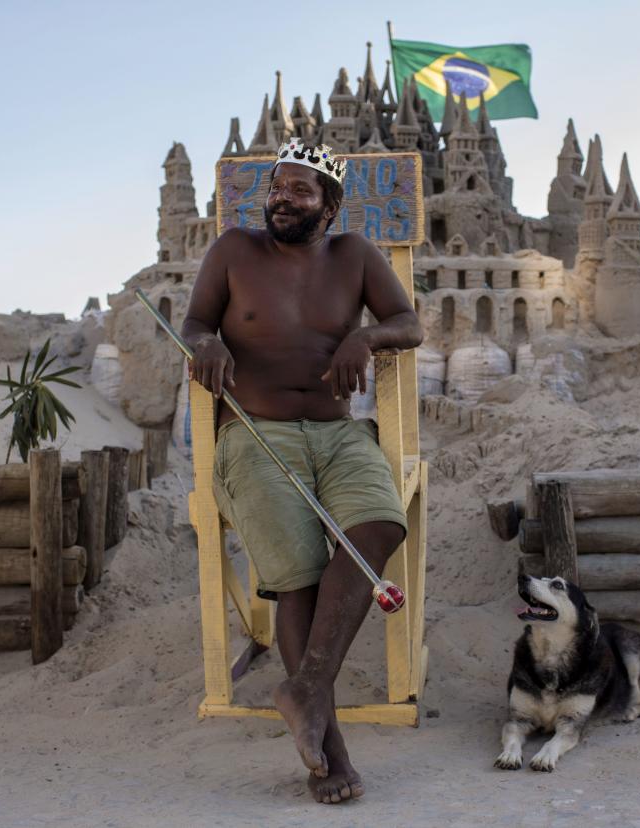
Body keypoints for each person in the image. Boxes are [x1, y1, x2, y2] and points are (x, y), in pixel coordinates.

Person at [181, 137, 423, 804]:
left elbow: (409, 321)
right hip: (255, 435)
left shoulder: (356, 257)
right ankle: (331, 754)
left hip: (335, 432)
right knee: (300, 578)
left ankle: (306, 688)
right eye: (276, 187)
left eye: (299, 191)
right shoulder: (234, 250)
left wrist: (365, 336)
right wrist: (205, 346)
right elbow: (195, 322)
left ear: (331, 205)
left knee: (378, 526)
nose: (281, 199)